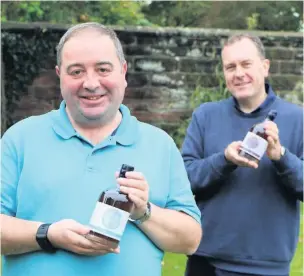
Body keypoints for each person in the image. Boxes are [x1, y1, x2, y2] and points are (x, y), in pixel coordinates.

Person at [1, 22, 202, 276]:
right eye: (76, 72)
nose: (91, 83)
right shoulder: (20, 138)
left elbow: (190, 240)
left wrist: (143, 212)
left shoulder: (159, 144)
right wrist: (48, 234)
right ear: (59, 74)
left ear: (123, 71)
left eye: (103, 69)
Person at [182, 34, 303, 276]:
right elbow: (184, 178)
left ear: (264, 66)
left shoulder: (298, 119)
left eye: (246, 64)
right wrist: (223, 160)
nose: (238, 73)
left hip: (266, 266)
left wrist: (281, 156)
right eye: (230, 67)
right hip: (205, 261)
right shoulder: (206, 116)